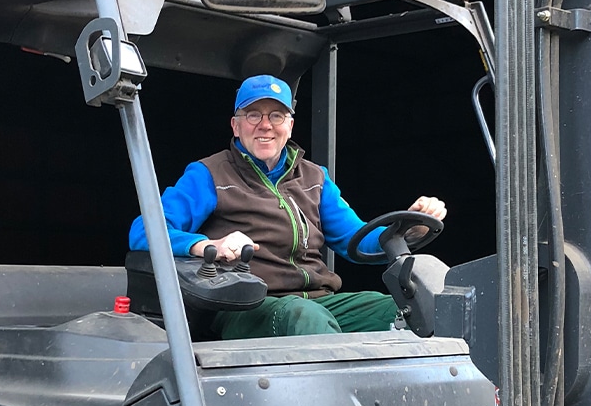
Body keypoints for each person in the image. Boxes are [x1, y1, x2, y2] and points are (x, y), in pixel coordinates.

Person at [129, 74, 447, 339]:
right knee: (305, 318)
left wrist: (406, 231)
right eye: (253, 115)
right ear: (235, 125)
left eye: (276, 116)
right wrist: (207, 245)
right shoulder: (209, 175)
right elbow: (145, 231)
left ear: (290, 126)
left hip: (321, 302)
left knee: (416, 306)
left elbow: (356, 241)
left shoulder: (314, 178)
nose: (265, 125)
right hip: (248, 306)